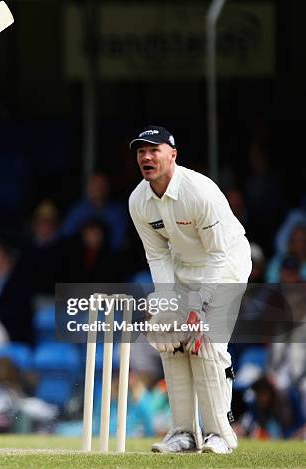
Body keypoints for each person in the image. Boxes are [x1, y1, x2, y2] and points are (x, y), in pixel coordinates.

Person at [128, 125, 252, 454]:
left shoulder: (199, 190)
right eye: (141, 151)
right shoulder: (138, 200)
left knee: (207, 343)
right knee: (169, 337)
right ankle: (183, 433)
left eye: (154, 150)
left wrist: (200, 307)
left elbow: (217, 253)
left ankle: (220, 436)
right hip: (183, 270)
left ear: (173, 155)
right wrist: (169, 305)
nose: (146, 157)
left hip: (225, 266)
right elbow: (156, 254)